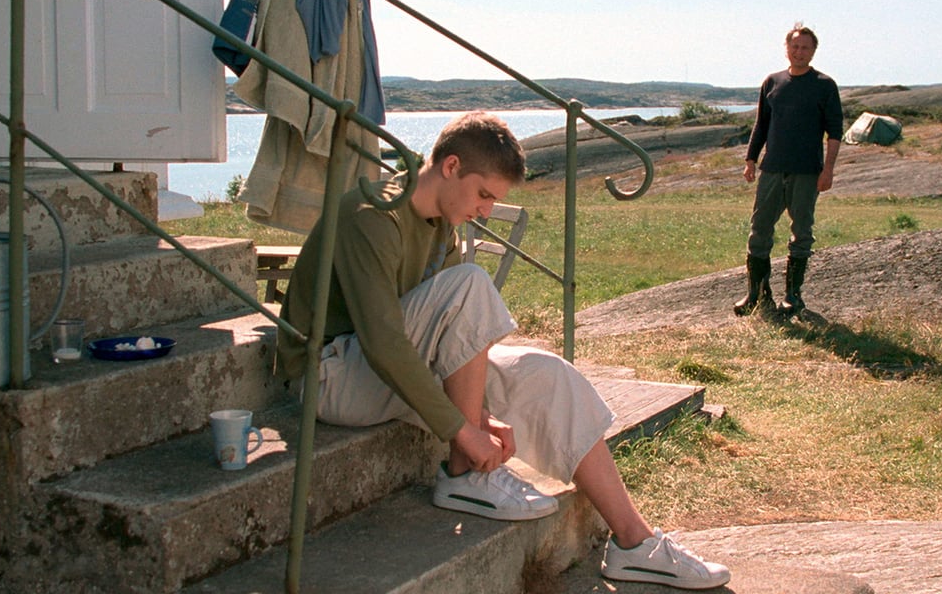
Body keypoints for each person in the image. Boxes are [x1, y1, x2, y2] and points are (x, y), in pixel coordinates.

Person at [278, 112, 730, 590]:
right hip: (328, 376)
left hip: (380, 371)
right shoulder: (374, 213)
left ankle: (635, 544)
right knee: (471, 284)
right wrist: (465, 432)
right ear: (451, 166)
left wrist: (482, 415)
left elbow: (447, 341)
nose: (487, 211)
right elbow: (385, 345)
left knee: (547, 374)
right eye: (484, 194)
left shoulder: (441, 224)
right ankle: (464, 476)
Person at [734, 24, 843, 318]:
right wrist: (750, 159)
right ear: (786, 49)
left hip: (807, 172)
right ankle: (757, 295)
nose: (799, 52)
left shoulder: (824, 85)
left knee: (801, 232)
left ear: (813, 51)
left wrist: (828, 170)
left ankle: (793, 296)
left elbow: (835, 132)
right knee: (759, 231)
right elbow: (761, 124)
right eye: (795, 46)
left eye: (805, 47)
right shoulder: (772, 82)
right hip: (772, 169)